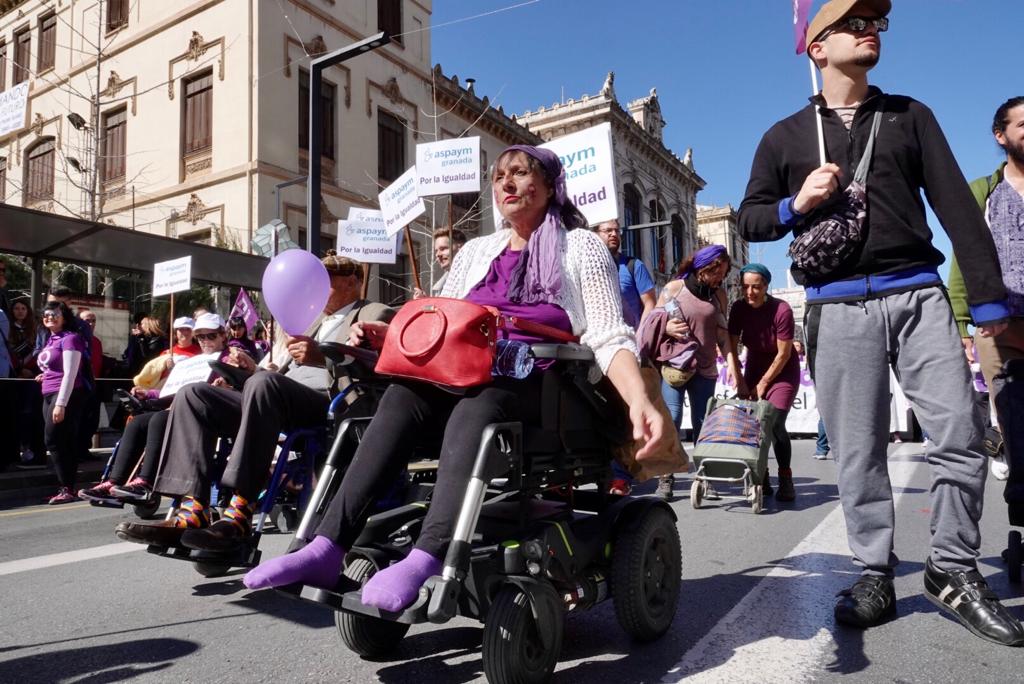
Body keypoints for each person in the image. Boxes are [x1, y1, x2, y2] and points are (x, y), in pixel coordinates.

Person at [239, 144, 664, 613]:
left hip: (542, 386)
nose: (505, 183)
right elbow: (440, 320)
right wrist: (390, 331)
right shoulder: (478, 252)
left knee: (480, 403)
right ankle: (325, 547)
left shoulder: (578, 244)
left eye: (520, 173)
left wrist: (639, 399)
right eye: (499, 175)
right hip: (461, 374)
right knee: (401, 396)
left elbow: (608, 334)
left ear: (548, 187)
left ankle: (426, 554)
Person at [737, 0, 1023, 645]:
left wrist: (987, 302)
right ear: (817, 48)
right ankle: (872, 571)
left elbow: (955, 205)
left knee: (959, 433)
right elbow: (751, 220)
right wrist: (795, 201)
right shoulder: (783, 136)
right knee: (860, 451)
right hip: (836, 306)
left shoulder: (909, 116)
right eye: (855, 24)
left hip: (918, 294)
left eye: (877, 25)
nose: (871, 34)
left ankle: (951, 568)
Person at [114, 254, 394, 549]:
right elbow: (281, 373)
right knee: (194, 394)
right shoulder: (314, 320)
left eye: (326, 281)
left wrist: (321, 358)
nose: (316, 288)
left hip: (328, 401)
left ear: (352, 281)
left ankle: (240, 510)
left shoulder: (374, 311)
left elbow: (377, 364)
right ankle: (192, 509)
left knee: (264, 384)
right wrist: (250, 368)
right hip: (276, 394)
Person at [948, 96, 1024, 481]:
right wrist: (962, 321)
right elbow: (966, 257)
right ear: (1001, 136)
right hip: (999, 327)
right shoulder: (984, 190)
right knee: (1013, 418)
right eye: (1023, 125)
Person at [79, 313, 231, 504]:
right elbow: (172, 390)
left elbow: (242, 384)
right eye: (200, 336)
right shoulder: (194, 362)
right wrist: (148, 393)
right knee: (139, 422)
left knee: (159, 420)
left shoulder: (230, 357)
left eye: (211, 336)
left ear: (223, 335)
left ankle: (146, 481)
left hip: (213, 414)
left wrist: (225, 386)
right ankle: (113, 483)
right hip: (182, 408)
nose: (205, 341)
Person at [653, 245, 733, 501]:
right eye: (716, 272)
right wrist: (666, 328)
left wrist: (732, 363)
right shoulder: (674, 289)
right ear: (703, 268)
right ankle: (666, 477)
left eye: (724, 273)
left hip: (706, 368)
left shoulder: (719, 295)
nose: (720, 277)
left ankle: (705, 478)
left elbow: (722, 333)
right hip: (675, 366)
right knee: (672, 419)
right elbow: (653, 322)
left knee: (703, 425)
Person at [727, 264, 801, 501]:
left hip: (783, 370)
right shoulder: (738, 308)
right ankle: (762, 473)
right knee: (753, 425)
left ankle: (785, 476)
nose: (750, 292)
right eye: (745, 287)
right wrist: (739, 379)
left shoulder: (782, 310)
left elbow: (783, 354)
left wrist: (763, 383)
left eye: (756, 287)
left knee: (775, 421)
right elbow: (731, 345)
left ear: (766, 286)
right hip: (754, 366)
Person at [36, 300, 90, 504]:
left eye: (55, 314)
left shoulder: (70, 339)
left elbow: (70, 373)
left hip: (64, 395)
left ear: (65, 318)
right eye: (46, 314)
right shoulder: (51, 340)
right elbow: (54, 366)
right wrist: (45, 374)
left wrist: (61, 403)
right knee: (61, 441)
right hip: (48, 393)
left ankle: (66, 487)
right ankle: (66, 487)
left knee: (53, 440)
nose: (49, 316)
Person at [594, 219, 656, 329]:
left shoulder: (634, 265)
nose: (613, 234)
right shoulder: (589, 269)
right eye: (608, 230)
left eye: (617, 231)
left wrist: (641, 335)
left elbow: (650, 303)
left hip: (632, 340)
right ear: (595, 235)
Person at [413, 228, 468, 298]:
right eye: (436, 251)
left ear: (461, 248)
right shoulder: (441, 287)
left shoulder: (475, 277)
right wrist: (424, 301)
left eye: (443, 248)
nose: (438, 254)